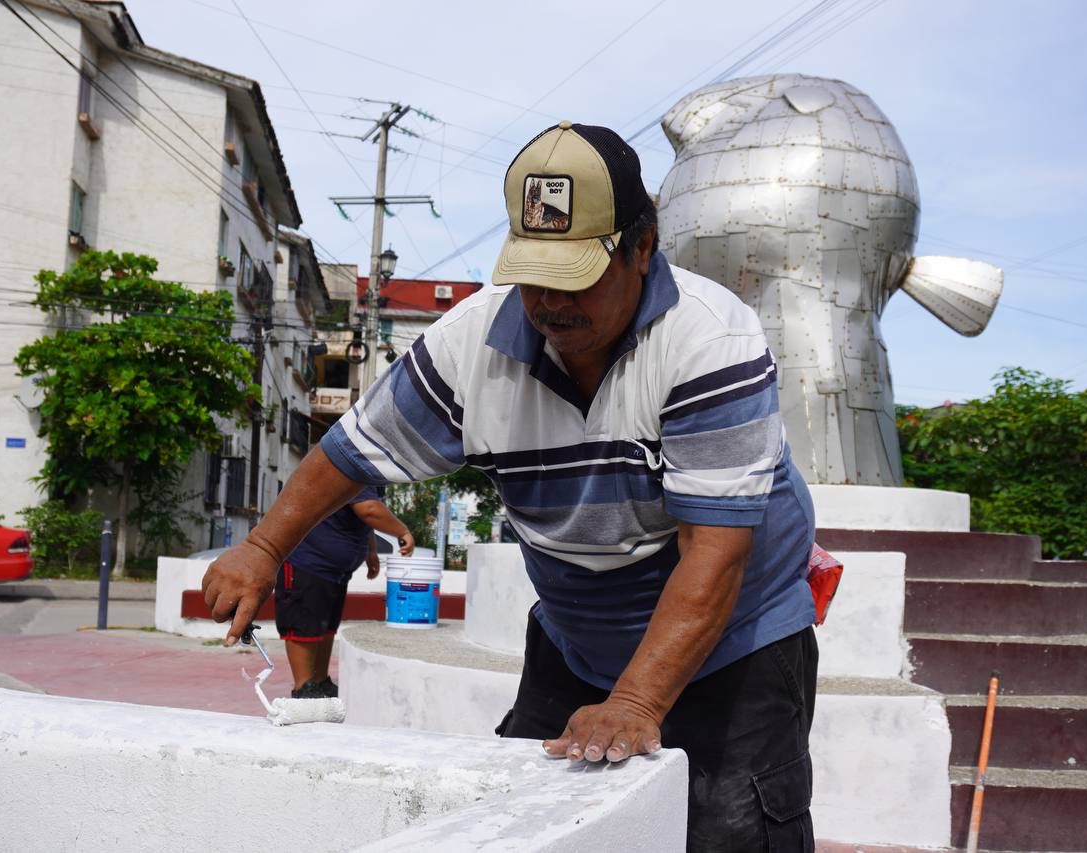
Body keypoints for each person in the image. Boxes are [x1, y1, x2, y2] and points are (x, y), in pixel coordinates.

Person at [204, 121, 818, 850]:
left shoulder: (709, 340)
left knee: (729, 833)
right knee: (522, 821)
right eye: (533, 275)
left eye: (576, 276)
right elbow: (350, 454)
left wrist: (634, 700)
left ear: (642, 247)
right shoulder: (472, 342)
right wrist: (263, 547)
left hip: (734, 642)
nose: (551, 303)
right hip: (576, 637)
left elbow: (716, 553)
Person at [274, 484, 414, 698]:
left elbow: (361, 519)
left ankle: (319, 682)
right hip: (307, 562)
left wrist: (371, 551)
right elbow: (368, 509)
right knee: (303, 628)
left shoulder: (372, 477)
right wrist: (402, 531)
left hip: (334, 572)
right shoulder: (355, 465)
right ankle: (303, 689)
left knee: (326, 628)